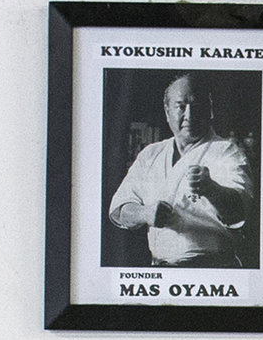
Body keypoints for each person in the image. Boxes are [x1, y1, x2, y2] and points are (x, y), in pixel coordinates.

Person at [107, 74, 254, 267]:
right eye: (181, 106)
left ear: (209, 111)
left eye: (197, 105)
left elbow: (240, 212)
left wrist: (211, 188)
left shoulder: (226, 151)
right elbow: (119, 209)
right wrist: (145, 213)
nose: (190, 115)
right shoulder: (151, 154)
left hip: (212, 269)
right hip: (160, 269)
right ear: (167, 112)